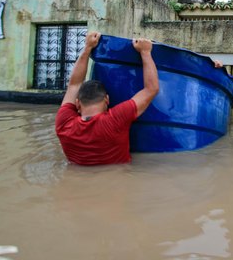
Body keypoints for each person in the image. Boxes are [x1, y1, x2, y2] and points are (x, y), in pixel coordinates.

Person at [55, 31, 159, 165]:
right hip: (118, 181)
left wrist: (87, 48)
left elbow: (74, 85)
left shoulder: (63, 123)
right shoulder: (115, 120)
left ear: (77, 104)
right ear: (107, 100)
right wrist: (145, 52)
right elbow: (152, 89)